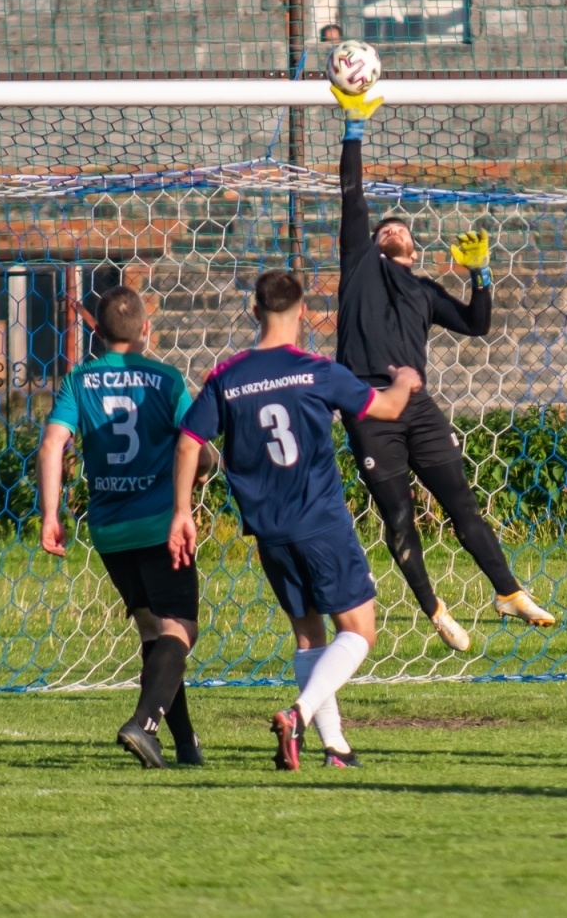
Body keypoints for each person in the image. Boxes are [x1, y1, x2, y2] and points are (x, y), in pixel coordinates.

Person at [329, 85, 554, 653]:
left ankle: (508, 591)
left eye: (400, 230)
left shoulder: (425, 291)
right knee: (399, 515)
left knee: (461, 504)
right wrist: (353, 131)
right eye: (385, 229)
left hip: (419, 406)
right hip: (368, 405)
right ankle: (436, 610)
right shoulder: (359, 268)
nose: (392, 230)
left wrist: (480, 274)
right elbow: (351, 198)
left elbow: (478, 324)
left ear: (414, 248)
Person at [170, 269, 422, 771]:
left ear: (254, 311)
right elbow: (388, 409)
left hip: (270, 530)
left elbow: (188, 442)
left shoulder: (226, 376)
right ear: (304, 310)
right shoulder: (317, 370)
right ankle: (299, 713)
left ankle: (337, 749)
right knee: (361, 632)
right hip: (321, 522)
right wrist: (404, 380)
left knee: (310, 638)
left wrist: (182, 512)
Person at [38, 286, 214, 770]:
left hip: (111, 530)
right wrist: (206, 464)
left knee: (154, 632)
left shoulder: (79, 380)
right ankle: (142, 723)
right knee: (182, 628)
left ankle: (185, 745)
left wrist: (50, 512)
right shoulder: (166, 379)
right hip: (160, 524)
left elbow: (53, 444)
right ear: (145, 330)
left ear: (95, 331)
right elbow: (196, 443)